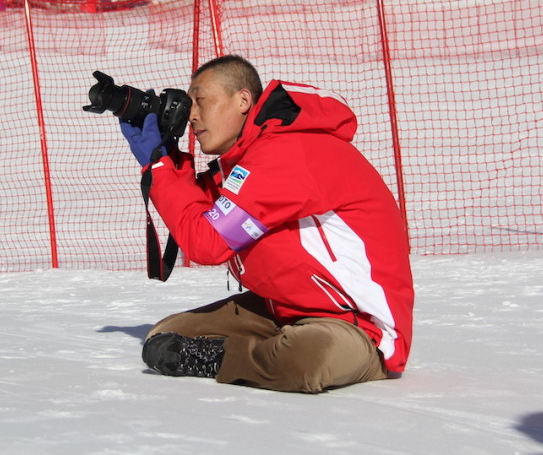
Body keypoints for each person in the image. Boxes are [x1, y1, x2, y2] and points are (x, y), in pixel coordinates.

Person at [119, 55, 414, 393]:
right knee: (167, 334)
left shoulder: (288, 152)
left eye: (200, 100)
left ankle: (224, 358)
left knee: (306, 359)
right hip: (282, 311)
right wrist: (165, 159)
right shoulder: (242, 163)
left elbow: (205, 242)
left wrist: (159, 167)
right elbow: (197, 210)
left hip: (358, 326)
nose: (192, 116)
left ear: (243, 100)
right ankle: (262, 351)